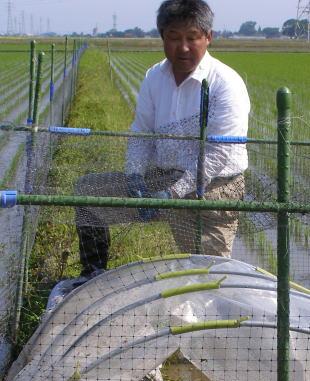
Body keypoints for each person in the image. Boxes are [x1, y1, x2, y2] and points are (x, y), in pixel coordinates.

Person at [73, 0, 250, 281]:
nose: (183, 48)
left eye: (192, 38)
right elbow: (142, 132)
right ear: (162, 37)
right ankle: (92, 274)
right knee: (88, 191)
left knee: (207, 273)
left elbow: (220, 154)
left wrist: (173, 194)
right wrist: (134, 175)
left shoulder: (225, 83)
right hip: (163, 177)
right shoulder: (155, 77)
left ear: (208, 37)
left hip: (214, 185)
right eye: (174, 38)